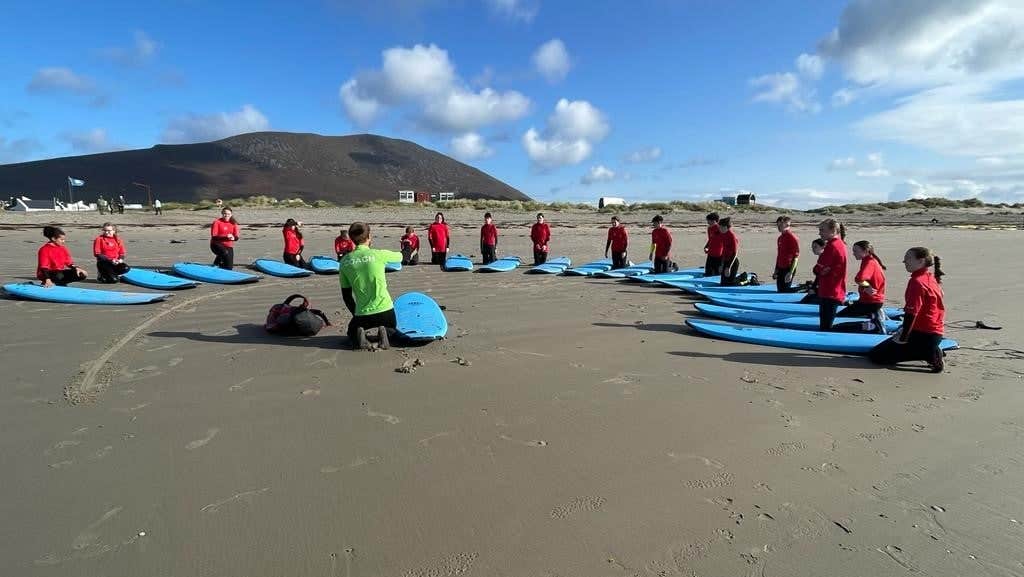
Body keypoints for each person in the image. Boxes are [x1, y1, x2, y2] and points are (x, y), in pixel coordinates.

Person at [869, 247, 946, 372]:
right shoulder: (930, 277)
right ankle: (928, 350)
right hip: (932, 333)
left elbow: (912, 313)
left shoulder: (917, 282)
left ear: (921, 261)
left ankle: (929, 354)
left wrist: (903, 337)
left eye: (908, 258)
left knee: (876, 356)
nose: (904, 262)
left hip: (924, 335)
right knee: (879, 350)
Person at [339, 222, 404, 351]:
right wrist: (407, 247)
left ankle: (359, 334)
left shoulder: (344, 262)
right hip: (386, 311)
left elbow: (346, 296)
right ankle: (385, 332)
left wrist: (356, 314)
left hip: (363, 314)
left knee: (351, 334)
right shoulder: (379, 254)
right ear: (369, 236)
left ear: (351, 239)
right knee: (393, 330)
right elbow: (401, 256)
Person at [837, 240, 887, 333]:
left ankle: (874, 323)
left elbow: (859, 279)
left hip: (871, 302)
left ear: (865, 251)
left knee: (839, 319)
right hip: (869, 301)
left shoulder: (870, 262)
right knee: (842, 314)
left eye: (856, 251)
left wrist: (867, 286)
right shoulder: (869, 260)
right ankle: (874, 314)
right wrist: (867, 286)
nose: (853, 253)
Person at [814, 218, 848, 331]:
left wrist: (818, 270)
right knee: (827, 323)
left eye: (822, 230)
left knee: (825, 326)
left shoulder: (832, 246)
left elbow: (820, 269)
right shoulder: (840, 243)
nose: (819, 233)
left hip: (830, 291)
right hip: (834, 289)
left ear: (833, 230)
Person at [773, 216, 800, 292]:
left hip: (788, 267)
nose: (778, 227)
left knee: (785, 290)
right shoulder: (780, 238)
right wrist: (776, 270)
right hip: (780, 267)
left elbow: (796, 257)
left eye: (781, 225)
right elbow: (779, 255)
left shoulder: (792, 238)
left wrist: (790, 273)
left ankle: (805, 288)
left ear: (787, 225)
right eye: (778, 225)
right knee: (780, 290)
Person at [798, 238, 827, 304]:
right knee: (804, 301)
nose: (813, 249)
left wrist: (814, 289)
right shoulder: (821, 258)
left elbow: (821, 277)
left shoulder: (825, 259)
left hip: (825, 290)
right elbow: (818, 277)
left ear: (823, 247)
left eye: (815, 247)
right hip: (819, 287)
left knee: (806, 302)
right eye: (812, 247)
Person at [718, 217, 740, 285]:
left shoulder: (732, 236)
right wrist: (721, 264)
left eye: (721, 227)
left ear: (726, 227)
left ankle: (744, 280)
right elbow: (724, 250)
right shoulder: (723, 234)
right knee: (723, 283)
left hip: (732, 262)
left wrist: (728, 267)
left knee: (730, 283)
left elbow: (735, 253)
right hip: (726, 260)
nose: (719, 229)